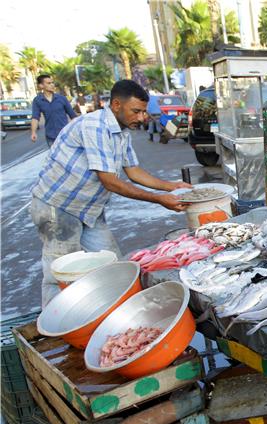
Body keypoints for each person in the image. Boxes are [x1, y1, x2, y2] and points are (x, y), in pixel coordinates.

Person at [30, 80, 191, 306]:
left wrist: (171, 186)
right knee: (60, 273)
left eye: (144, 112)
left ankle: (112, 312)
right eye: (136, 111)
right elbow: (110, 182)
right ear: (116, 105)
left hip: (89, 209)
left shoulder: (122, 132)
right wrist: (159, 199)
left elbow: (133, 171)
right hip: (58, 207)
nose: (142, 118)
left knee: (113, 264)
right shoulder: (95, 126)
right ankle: (57, 328)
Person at [31, 74, 77, 147]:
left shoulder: (62, 98)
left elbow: (73, 116)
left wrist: (73, 130)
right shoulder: (37, 100)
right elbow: (35, 117)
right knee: (55, 158)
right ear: (41, 86)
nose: (52, 85)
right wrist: (33, 132)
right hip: (51, 137)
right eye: (49, 83)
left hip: (66, 135)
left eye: (52, 83)